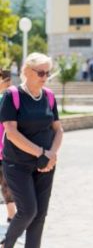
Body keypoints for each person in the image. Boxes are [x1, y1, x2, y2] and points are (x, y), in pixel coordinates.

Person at [0, 53, 64, 248]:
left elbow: (58, 129)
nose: (45, 77)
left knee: (40, 216)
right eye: (40, 72)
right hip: (17, 164)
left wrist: (51, 154)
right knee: (28, 211)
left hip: (45, 165)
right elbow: (11, 132)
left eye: (48, 73)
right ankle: (7, 244)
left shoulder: (49, 97)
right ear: (26, 71)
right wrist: (41, 153)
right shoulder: (12, 96)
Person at [0, 71, 16, 227]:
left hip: (5, 151)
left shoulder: (7, 99)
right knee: (6, 183)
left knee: (6, 183)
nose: (9, 85)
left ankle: (12, 214)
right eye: (7, 82)